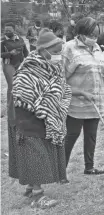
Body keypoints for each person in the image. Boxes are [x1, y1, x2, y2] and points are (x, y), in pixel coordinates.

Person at [12, 31, 71, 209]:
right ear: (43, 50)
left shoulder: (54, 67)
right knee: (35, 154)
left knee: (43, 152)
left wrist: (56, 101)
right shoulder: (28, 69)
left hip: (49, 119)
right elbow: (21, 95)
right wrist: (43, 106)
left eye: (61, 50)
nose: (58, 55)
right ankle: (38, 196)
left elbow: (61, 88)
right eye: (56, 51)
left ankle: (31, 186)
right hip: (30, 120)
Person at [63, 17, 104, 176]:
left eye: (96, 34)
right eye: (91, 34)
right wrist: (74, 92)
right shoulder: (69, 48)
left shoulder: (97, 48)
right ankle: (60, 170)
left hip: (96, 100)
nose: (94, 37)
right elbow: (60, 77)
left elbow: (103, 73)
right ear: (81, 33)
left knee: (91, 135)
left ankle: (89, 167)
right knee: (72, 134)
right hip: (76, 103)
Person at [1, 22, 29, 186]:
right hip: (8, 65)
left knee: (21, 85)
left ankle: (21, 104)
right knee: (13, 87)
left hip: (20, 64)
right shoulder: (2, 42)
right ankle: (12, 109)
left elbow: (26, 52)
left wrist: (26, 61)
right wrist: (8, 53)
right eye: (6, 30)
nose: (8, 32)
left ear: (14, 30)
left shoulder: (20, 40)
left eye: (10, 30)